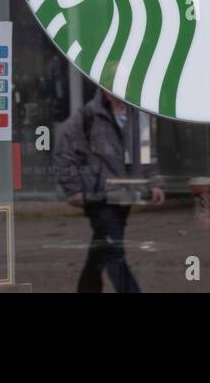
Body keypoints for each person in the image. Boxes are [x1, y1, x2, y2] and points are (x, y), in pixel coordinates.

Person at [53, 90, 164, 293]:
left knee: (101, 251)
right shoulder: (88, 115)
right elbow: (64, 153)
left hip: (125, 194)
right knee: (113, 252)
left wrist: (154, 183)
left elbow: (148, 151)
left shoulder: (138, 115)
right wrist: (73, 188)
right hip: (99, 196)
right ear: (105, 90)